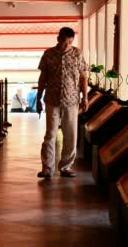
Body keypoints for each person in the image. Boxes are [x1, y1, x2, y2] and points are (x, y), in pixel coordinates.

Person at [36, 27, 88, 178]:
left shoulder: (78, 54)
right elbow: (42, 78)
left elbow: (83, 77)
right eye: (65, 42)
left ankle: (65, 166)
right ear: (58, 39)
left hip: (71, 101)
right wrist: (38, 98)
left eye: (71, 42)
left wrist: (85, 98)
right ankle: (47, 168)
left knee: (70, 134)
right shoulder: (48, 54)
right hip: (52, 100)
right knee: (50, 134)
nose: (68, 46)